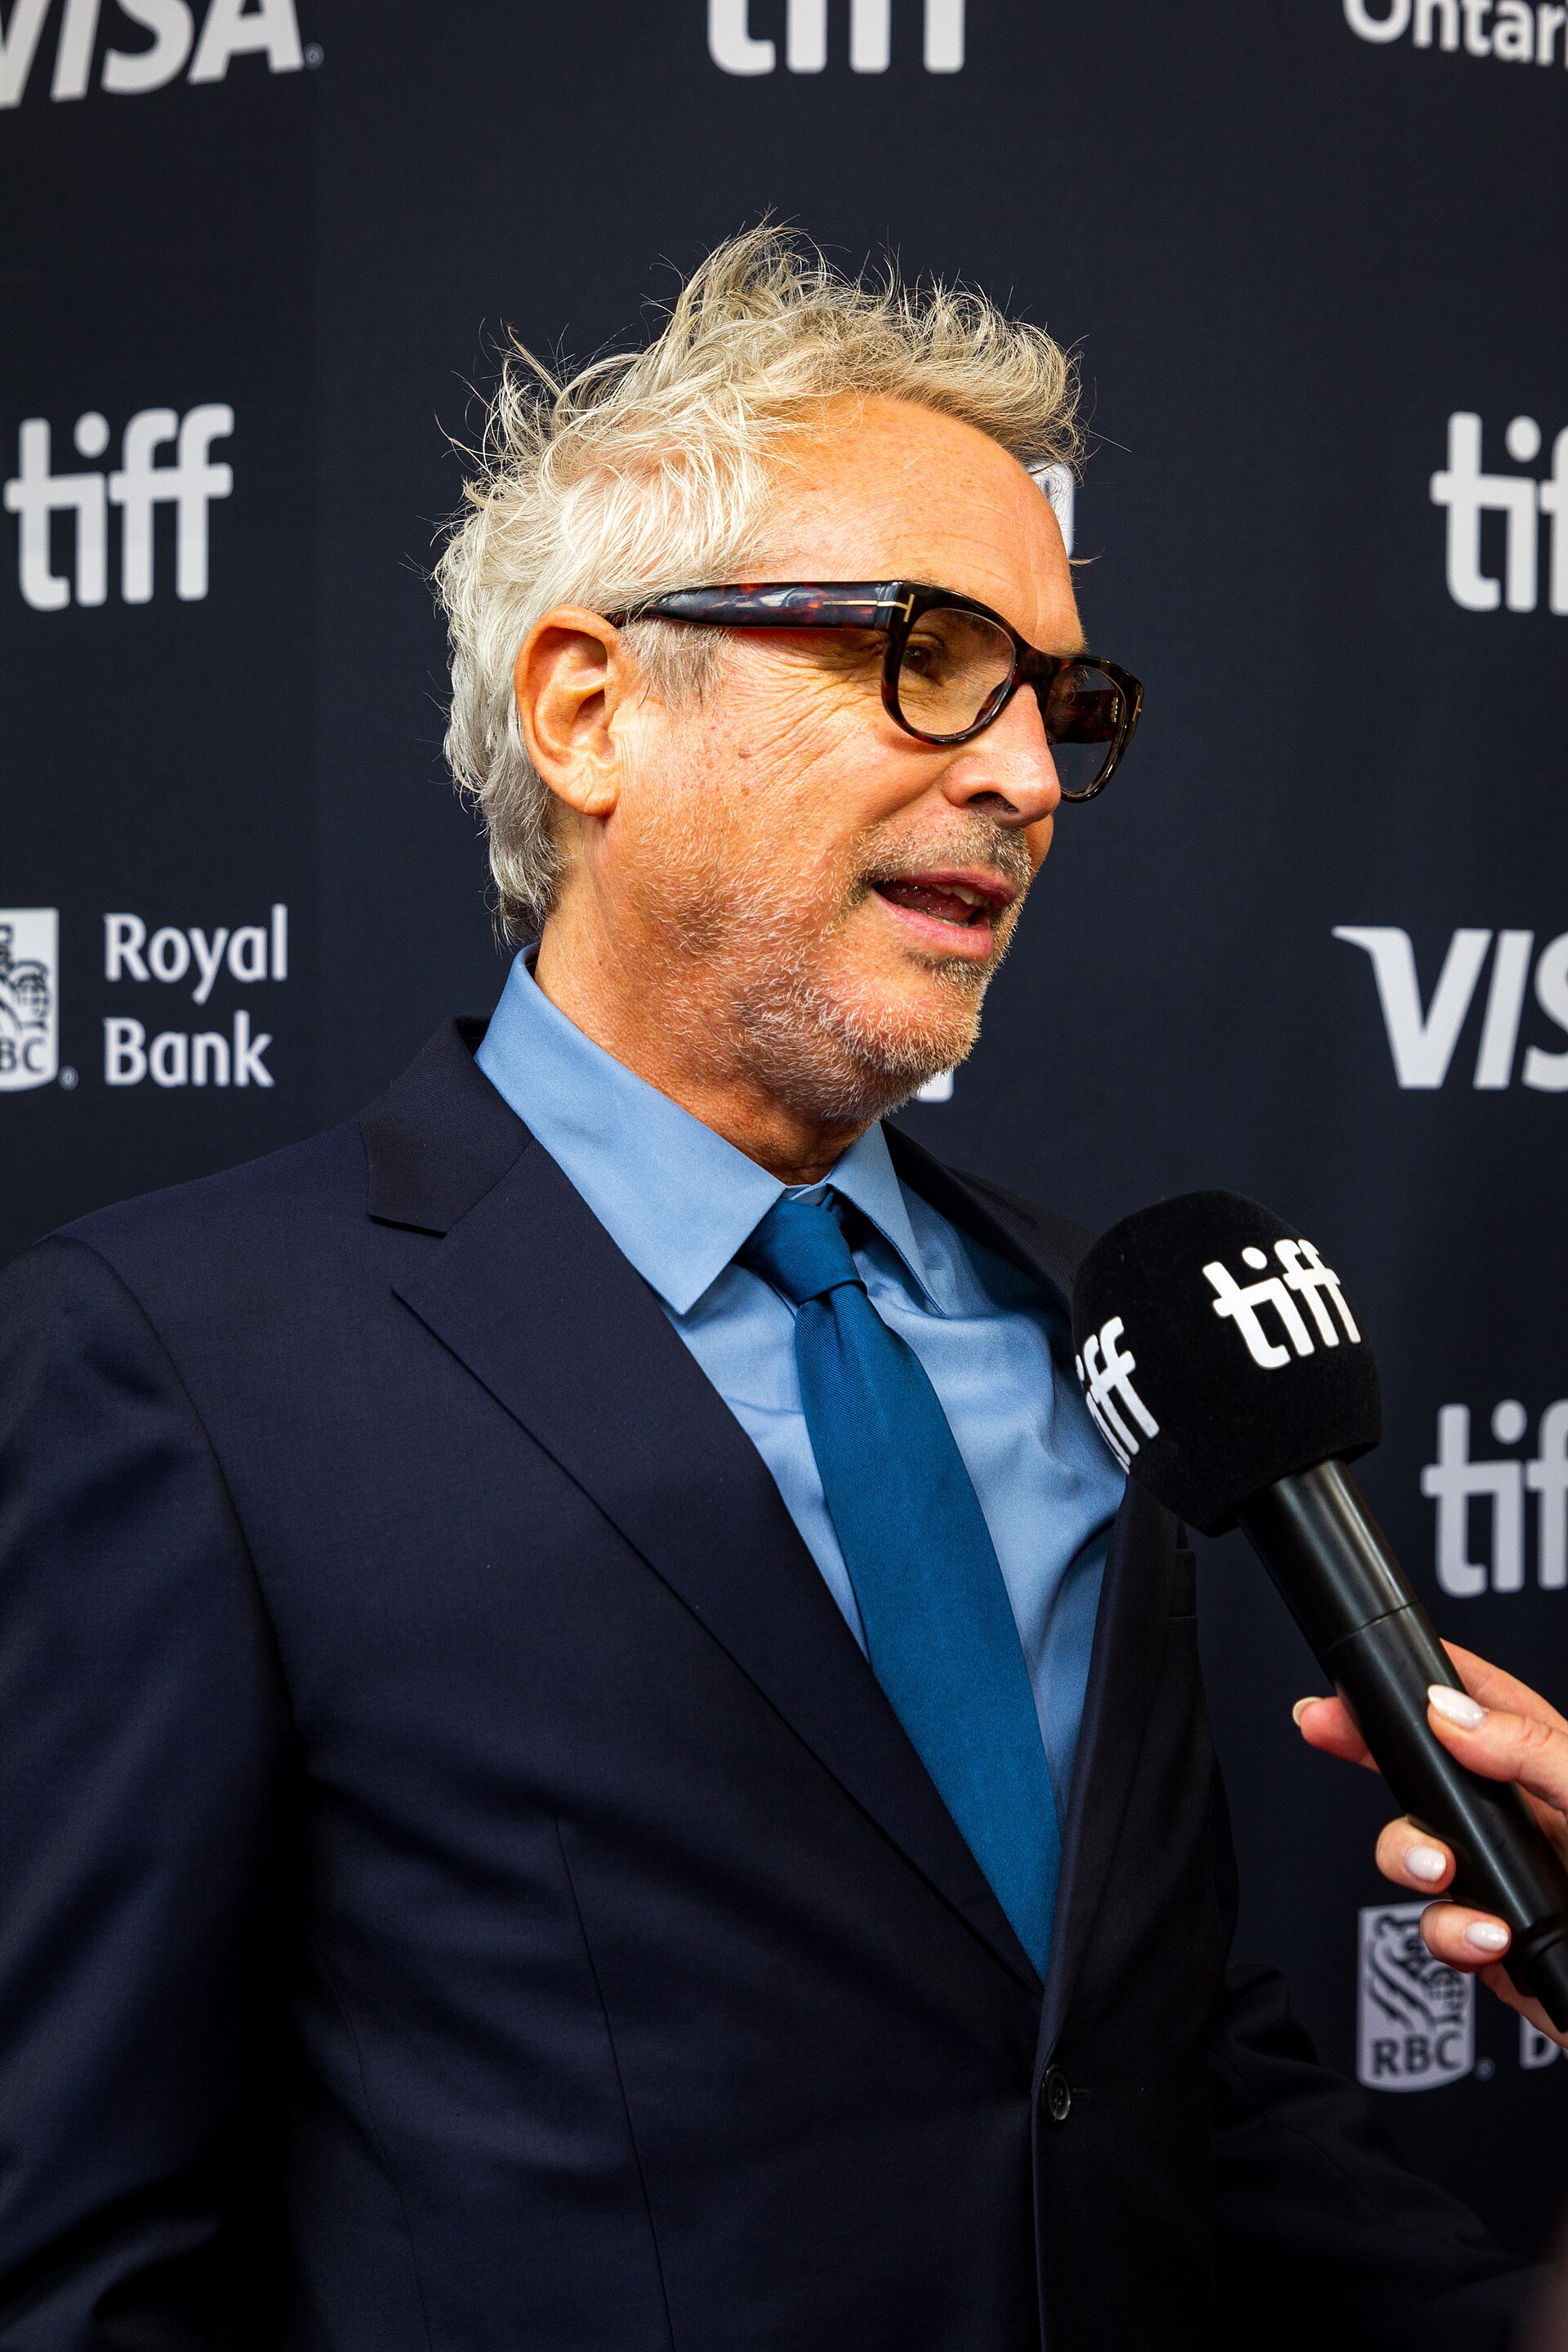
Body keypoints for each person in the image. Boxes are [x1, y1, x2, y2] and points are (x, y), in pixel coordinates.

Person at [0, 228, 1554, 2351]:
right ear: (590, 709)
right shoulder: (178, 1362)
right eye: (927, 654)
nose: (1025, 776)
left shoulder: (1094, 1331)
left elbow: (1144, 2092)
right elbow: (78, 2264)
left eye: (1060, 701)